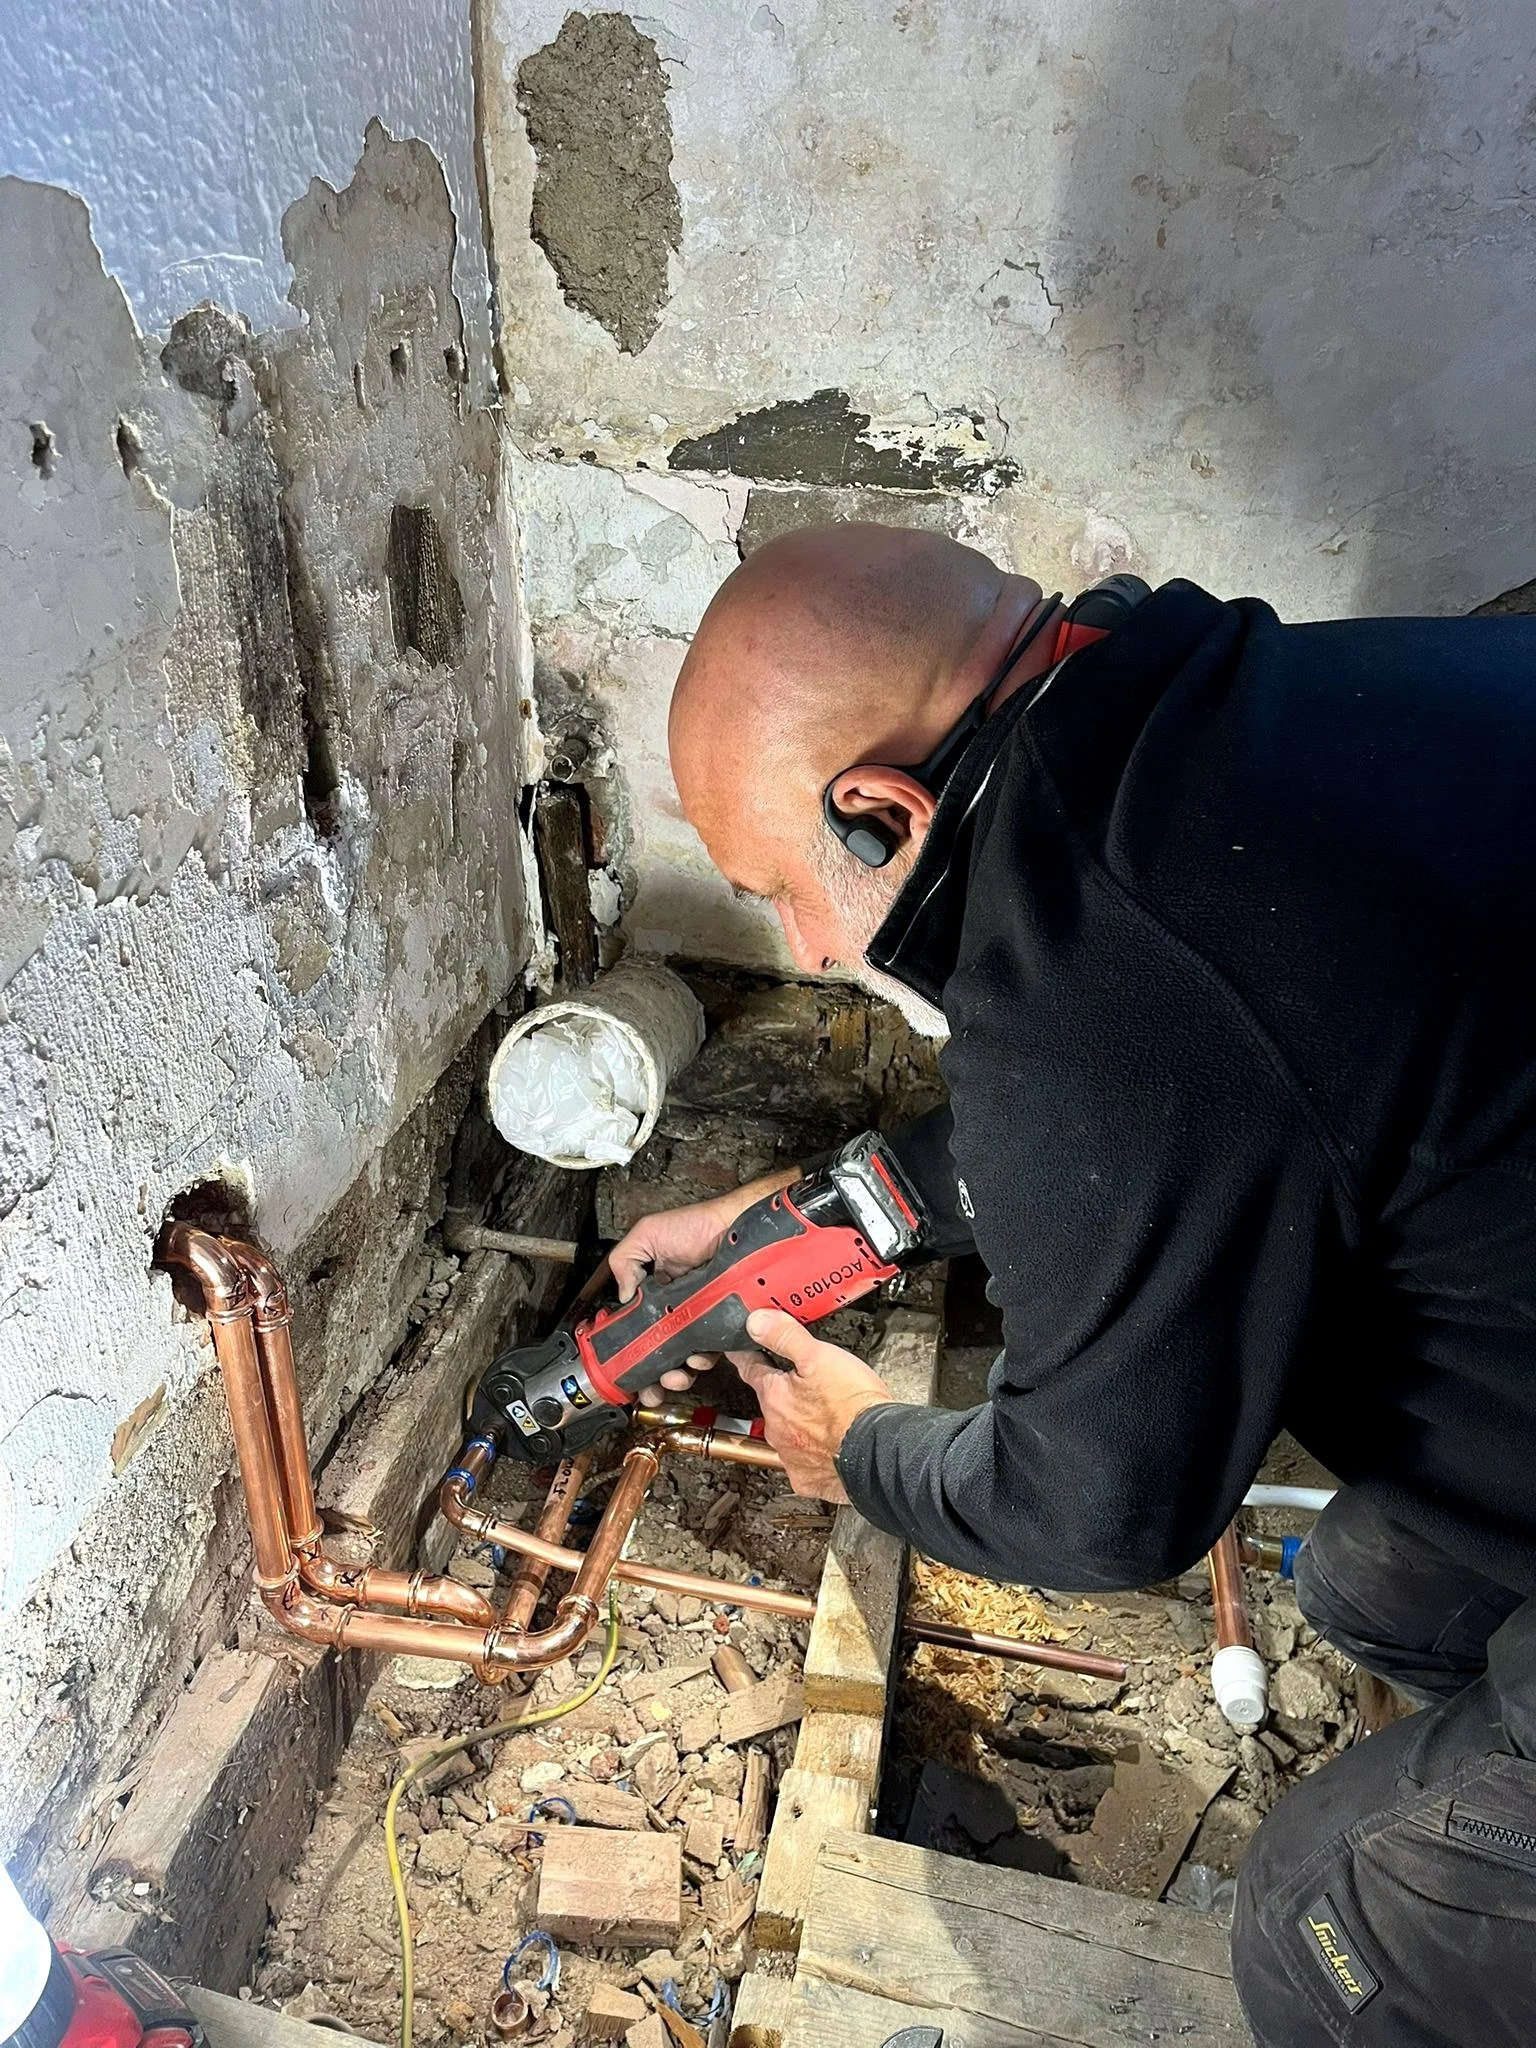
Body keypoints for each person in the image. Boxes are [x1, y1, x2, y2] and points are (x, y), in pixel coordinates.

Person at [608, 523, 1536, 2044]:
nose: (804, 944)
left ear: (880, 812)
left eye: (783, 889)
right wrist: (817, 1206)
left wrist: (860, 1447)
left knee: (1314, 1925)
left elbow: (1103, 1505)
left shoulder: (1111, 983)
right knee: (1375, 1581)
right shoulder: (1221, 725)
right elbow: (1192, 1102)